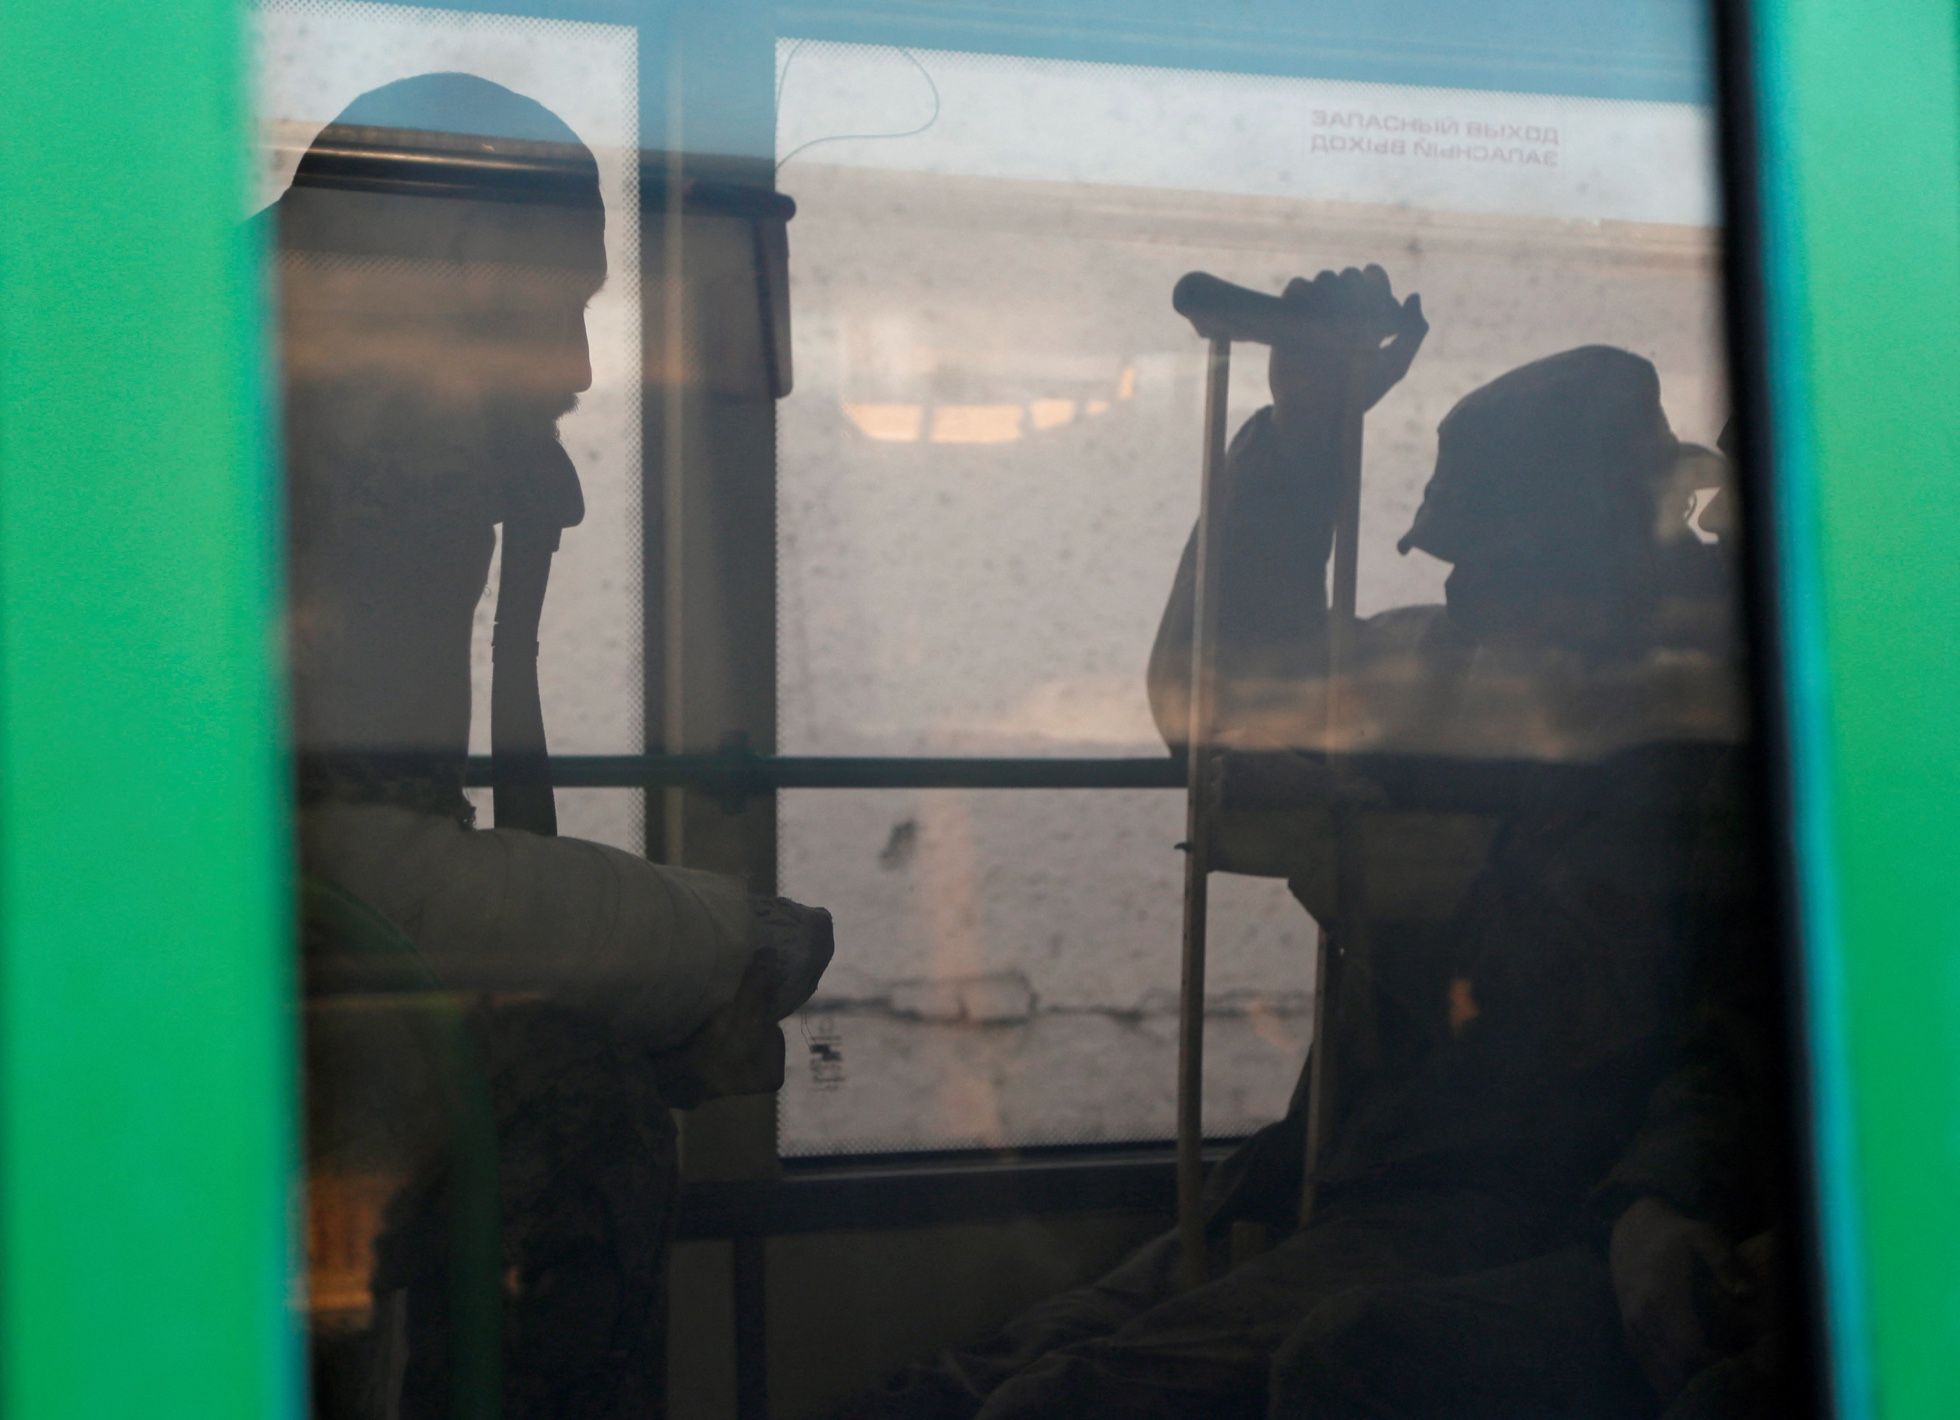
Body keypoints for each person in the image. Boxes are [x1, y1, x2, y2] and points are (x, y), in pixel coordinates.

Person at [836, 268, 1781, 1418]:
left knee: (1057, 1404)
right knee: (944, 1395)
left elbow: (1649, 1021)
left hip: (1501, 1201)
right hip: (1352, 1165)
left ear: (1612, 549)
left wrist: (1370, 860)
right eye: (1460, 565)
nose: (1466, 596)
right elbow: (1223, 701)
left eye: (1501, 565)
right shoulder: (1462, 672)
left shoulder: (1714, 741)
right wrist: (1304, 437)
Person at [276, 74, 832, 1416]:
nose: (579, 372)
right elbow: (322, 870)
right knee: (577, 1105)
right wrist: (711, 946)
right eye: (564, 306)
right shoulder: (309, 433)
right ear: (463, 256)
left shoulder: (305, 407)